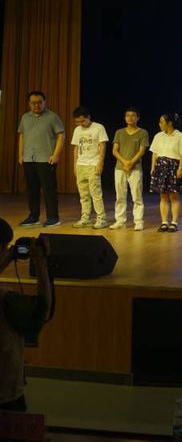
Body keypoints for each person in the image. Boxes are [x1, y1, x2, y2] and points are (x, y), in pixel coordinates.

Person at [0, 225, 53, 412]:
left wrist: (7, 257)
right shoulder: (5, 298)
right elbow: (42, 311)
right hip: (5, 395)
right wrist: (41, 263)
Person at [17, 91, 65, 227]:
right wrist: (21, 154)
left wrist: (56, 155)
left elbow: (61, 135)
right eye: (33, 103)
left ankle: (53, 218)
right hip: (29, 158)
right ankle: (33, 216)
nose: (37, 105)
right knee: (32, 190)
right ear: (29, 103)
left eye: (39, 102)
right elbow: (22, 136)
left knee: (49, 190)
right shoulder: (25, 117)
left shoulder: (52, 117)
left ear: (44, 102)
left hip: (46, 159)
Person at [110, 108, 149, 231]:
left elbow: (142, 151)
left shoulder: (143, 132)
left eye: (133, 115)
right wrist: (125, 162)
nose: (130, 118)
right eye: (127, 115)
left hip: (135, 168)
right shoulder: (119, 132)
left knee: (136, 195)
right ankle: (120, 220)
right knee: (120, 195)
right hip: (120, 168)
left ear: (138, 118)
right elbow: (114, 150)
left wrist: (131, 162)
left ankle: (138, 221)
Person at [150, 113, 182, 231]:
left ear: (170, 123)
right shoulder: (158, 136)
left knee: (174, 196)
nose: (160, 124)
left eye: (162, 122)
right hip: (160, 167)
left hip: (173, 166)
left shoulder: (180, 136)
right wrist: (153, 167)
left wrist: (180, 168)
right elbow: (154, 153)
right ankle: (164, 222)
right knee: (163, 196)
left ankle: (174, 222)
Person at [71, 106, 109, 229]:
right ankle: (85, 217)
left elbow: (102, 146)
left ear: (89, 117)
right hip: (81, 164)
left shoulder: (98, 127)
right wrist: (75, 164)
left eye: (82, 121)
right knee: (83, 194)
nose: (80, 124)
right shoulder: (77, 130)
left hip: (93, 164)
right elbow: (76, 148)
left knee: (95, 193)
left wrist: (100, 163)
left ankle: (101, 218)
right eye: (77, 122)